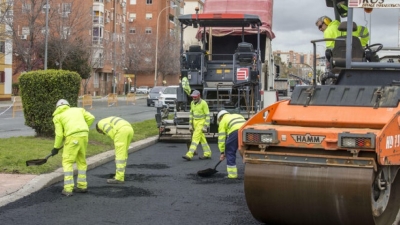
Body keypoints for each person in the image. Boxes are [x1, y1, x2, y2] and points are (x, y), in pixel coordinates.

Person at [52, 99, 95, 196]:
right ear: (68, 105)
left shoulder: (57, 116)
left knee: (67, 161)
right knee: (81, 160)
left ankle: (68, 189)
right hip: (84, 136)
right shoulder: (78, 110)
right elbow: (91, 118)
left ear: (57, 107)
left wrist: (56, 147)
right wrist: (84, 128)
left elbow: (59, 134)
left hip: (72, 137)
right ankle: (82, 185)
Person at [96, 116, 134, 184]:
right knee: (124, 153)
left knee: (119, 155)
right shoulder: (106, 119)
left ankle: (119, 178)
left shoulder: (100, 123)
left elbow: (111, 132)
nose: (103, 134)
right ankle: (121, 174)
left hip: (121, 131)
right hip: (129, 129)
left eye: (101, 132)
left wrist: (116, 140)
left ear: (99, 129)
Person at [182, 90, 211, 160]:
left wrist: (205, 126)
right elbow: (191, 114)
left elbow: (207, 115)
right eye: (193, 97)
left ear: (199, 96)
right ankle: (208, 153)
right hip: (195, 123)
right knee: (202, 139)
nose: (194, 98)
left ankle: (189, 154)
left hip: (201, 123)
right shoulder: (192, 103)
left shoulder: (203, 103)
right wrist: (190, 124)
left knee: (195, 138)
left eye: (195, 97)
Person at [216, 110, 246, 179]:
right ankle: (250, 171)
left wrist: (222, 152)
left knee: (230, 151)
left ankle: (232, 175)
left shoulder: (223, 121)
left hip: (235, 132)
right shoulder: (237, 115)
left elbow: (221, 138)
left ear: (220, 118)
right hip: (246, 131)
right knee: (246, 151)